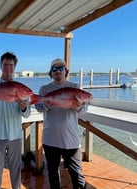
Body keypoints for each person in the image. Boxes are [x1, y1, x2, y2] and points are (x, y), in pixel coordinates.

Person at [35, 58, 87, 189]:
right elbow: (38, 107)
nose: (58, 71)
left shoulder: (75, 87)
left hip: (71, 140)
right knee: (53, 173)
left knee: (77, 174)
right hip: (50, 139)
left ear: (66, 71)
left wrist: (77, 107)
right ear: (51, 73)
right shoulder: (44, 89)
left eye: (61, 68)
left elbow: (85, 109)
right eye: (54, 69)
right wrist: (46, 106)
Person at [0, 52, 31, 189]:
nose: (8, 68)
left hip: (15, 135)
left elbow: (27, 114)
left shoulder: (21, 88)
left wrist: (23, 107)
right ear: (0, 66)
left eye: (11, 65)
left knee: (16, 168)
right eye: (5, 65)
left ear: (15, 67)